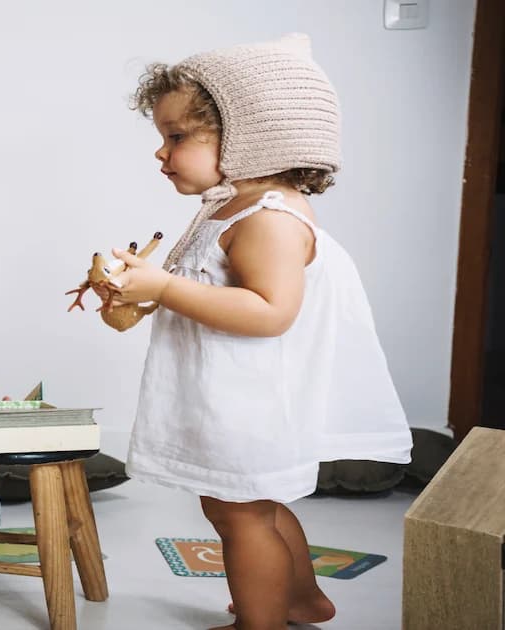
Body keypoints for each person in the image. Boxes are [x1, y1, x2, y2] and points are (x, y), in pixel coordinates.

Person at [102, 34, 412, 629]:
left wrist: (164, 289)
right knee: (252, 508)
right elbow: (206, 293)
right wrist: (140, 291)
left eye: (177, 137)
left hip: (251, 402)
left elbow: (272, 311)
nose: (161, 153)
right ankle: (300, 598)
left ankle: (259, 621)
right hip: (228, 397)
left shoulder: (268, 216)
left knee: (239, 517)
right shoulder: (225, 206)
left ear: (250, 136)